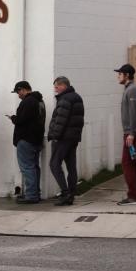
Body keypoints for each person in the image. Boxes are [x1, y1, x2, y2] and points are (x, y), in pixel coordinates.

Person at [47, 76, 85, 206]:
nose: (55, 89)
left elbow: (61, 120)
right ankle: (71, 194)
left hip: (62, 138)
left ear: (64, 85)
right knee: (71, 166)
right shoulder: (77, 97)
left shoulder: (65, 99)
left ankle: (65, 193)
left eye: (57, 86)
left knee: (54, 164)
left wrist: (54, 136)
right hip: (73, 138)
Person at [9, 81, 45, 204]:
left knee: (27, 167)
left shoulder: (28, 101)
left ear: (23, 89)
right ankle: (35, 193)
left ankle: (31, 195)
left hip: (26, 139)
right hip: (36, 139)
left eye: (18, 92)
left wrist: (13, 118)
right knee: (34, 167)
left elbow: (21, 120)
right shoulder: (40, 101)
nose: (18, 95)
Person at [116, 63, 136, 206]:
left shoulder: (133, 90)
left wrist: (131, 133)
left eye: (120, 74)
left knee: (127, 163)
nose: (118, 76)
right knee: (134, 163)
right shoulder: (130, 89)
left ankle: (133, 196)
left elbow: (134, 113)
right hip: (133, 132)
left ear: (126, 75)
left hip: (132, 133)